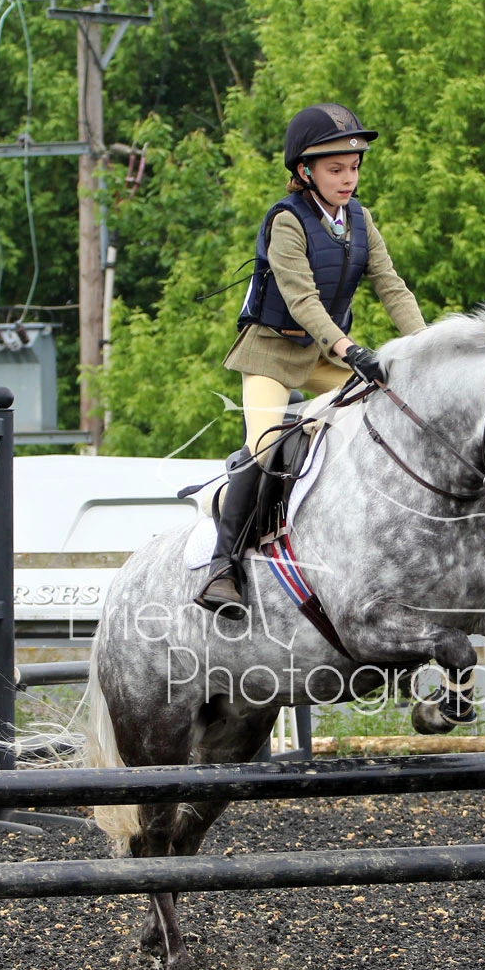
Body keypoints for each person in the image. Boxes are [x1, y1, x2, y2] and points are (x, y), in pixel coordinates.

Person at [195, 102, 426, 617]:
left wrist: (426, 348)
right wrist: (350, 350)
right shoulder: (286, 221)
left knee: (386, 416)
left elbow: (391, 287)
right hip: (272, 353)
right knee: (263, 450)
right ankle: (222, 566)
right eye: (336, 169)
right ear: (305, 172)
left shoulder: (360, 220)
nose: (349, 179)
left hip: (322, 352)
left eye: (354, 167)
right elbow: (302, 301)